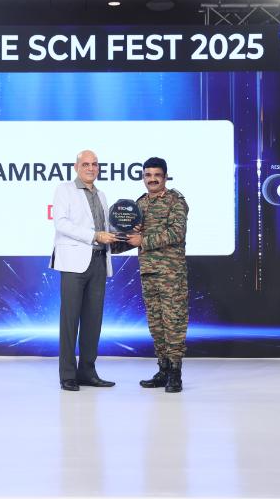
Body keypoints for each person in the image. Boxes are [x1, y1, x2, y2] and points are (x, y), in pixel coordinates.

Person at [115, 157, 189, 393]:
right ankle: (163, 369)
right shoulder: (139, 204)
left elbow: (177, 233)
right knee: (156, 323)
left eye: (157, 175)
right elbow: (133, 237)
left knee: (173, 322)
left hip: (171, 273)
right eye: (148, 175)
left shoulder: (175, 201)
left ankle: (175, 373)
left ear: (165, 176)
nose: (153, 179)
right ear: (143, 177)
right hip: (148, 272)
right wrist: (111, 242)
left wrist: (143, 240)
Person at [50, 150, 118, 391]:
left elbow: (106, 229)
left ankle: (87, 371)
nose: (91, 168)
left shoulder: (102, 195)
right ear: (76, 167)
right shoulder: (64, 190)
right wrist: (94, 236)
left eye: (95, 164)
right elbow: (61, 223)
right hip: (73, 264)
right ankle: (68, 374)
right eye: (86, 164)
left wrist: (125, 231)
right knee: (70, 320)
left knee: (93, 320)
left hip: (99, 262)